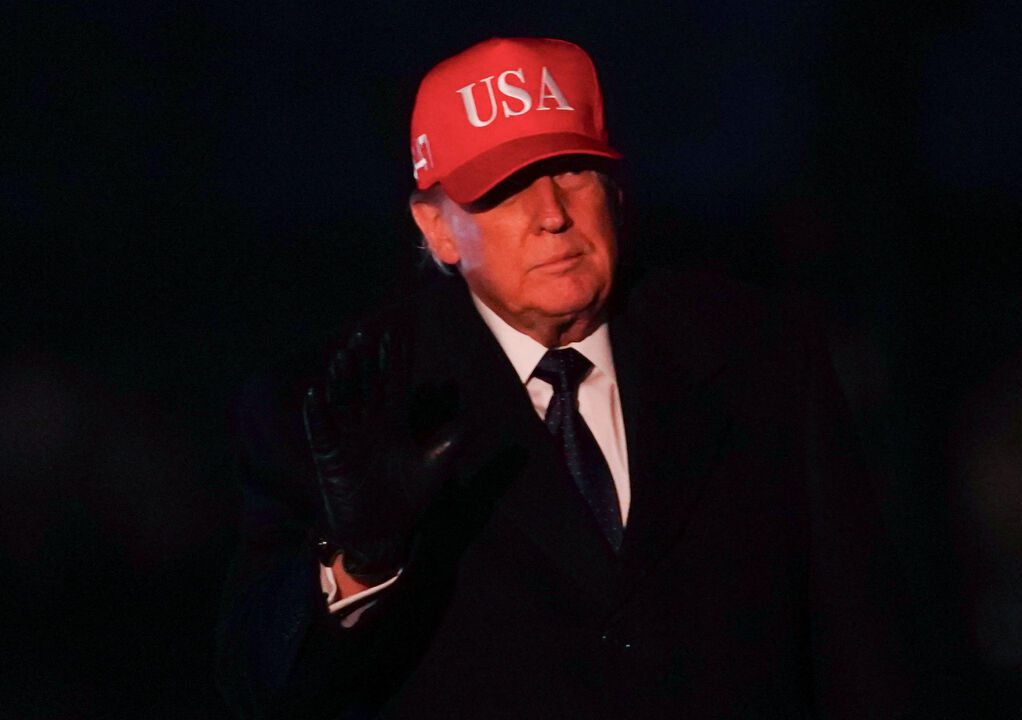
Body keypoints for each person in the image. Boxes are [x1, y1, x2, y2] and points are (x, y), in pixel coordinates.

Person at [216, 37, 906, 719]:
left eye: (573, 170)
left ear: (616, 188)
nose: (552, 215)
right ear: (438, 230)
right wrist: (359, 565)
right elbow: (259, 690)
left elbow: (863, 639)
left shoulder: (760, 352)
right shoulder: (328, 407)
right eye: (506, 187)